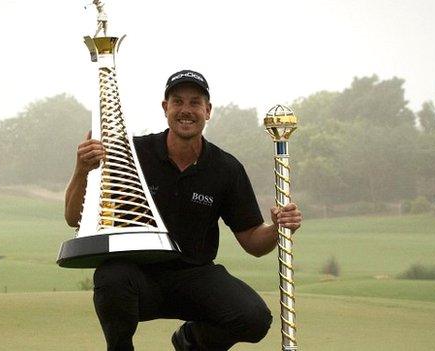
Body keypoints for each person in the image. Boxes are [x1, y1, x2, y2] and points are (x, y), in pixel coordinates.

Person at [64, 69, 302, 351]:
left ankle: (190, 342)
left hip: (195, 276)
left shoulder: (225, 168)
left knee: (254, 318)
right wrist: (82, 169)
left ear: (208, 110)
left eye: (195, 102)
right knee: (110, 275)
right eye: (177, 101)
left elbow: (253, 241)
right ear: (165, 108)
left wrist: (278, 227)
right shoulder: (130, 155)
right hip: (139, 277)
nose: (186, 110)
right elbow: (72, 218)